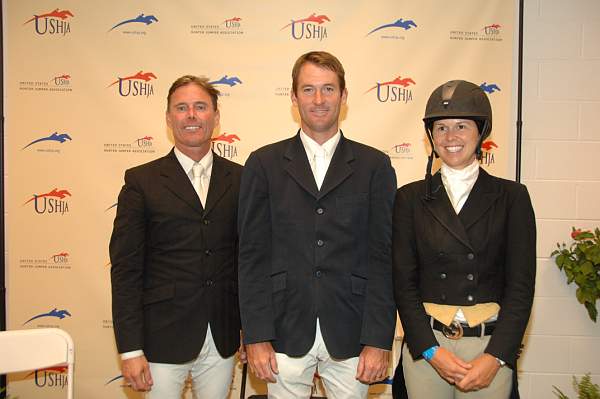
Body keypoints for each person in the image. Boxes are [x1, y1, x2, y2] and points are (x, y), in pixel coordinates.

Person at [237, 51, 397, 399]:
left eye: (328, 89)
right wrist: (256, 335)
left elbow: (383, 258)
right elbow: (251, 257)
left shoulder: (375, 166)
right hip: (283, 330)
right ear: (294, 98)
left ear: (344, 95)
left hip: (352, 332)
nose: (319, 99)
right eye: (308, 90)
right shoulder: (263, 164)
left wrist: (378, 339)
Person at [392, 80, 536, 398]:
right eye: (441, 128)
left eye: (461, 126)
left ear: (480, 131)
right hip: (428, 349)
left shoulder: (512, 197)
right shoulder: (409, 198)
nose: (451, 137)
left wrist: (497, 355)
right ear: (431, 135)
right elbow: (403, 284)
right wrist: (431, 351)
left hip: (489, 348)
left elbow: (520, 288)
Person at [109, 75, 242, 398]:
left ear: (216, 116)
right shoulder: (142, 181)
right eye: (181, 108)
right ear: (169, 118)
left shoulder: (241, 178)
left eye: (200, 107)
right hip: (161, 338)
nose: (192, 115)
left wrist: (253, 332)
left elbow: (247, 260)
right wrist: (129, 350)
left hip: (222, 338)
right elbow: (125, 270)